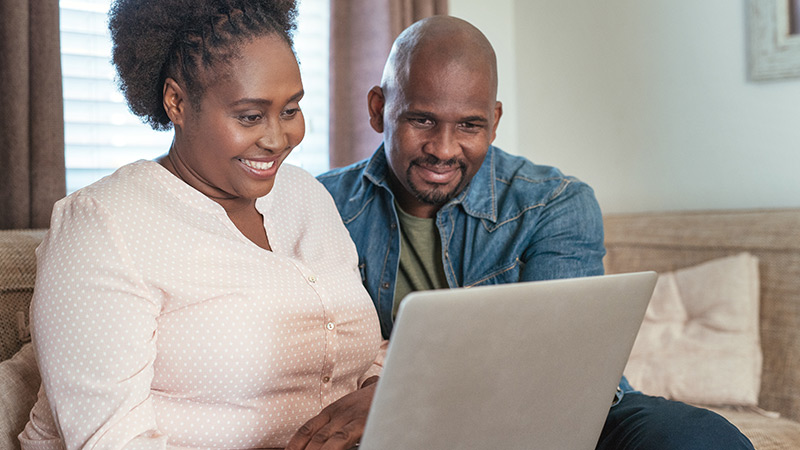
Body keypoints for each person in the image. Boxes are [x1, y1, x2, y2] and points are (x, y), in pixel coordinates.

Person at [318, 15, 755, 450]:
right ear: (378, 109)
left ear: (494, 120)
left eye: (469, 125)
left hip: (562, 410)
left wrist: (396, 390)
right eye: (422, 120)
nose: (444, 149)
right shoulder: (321, 204)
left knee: (705, 438)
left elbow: (552, 367)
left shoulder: (555, 202)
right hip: (408, 426)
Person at [20, 1, 383, 449]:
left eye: (290, 110)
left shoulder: (305, 195)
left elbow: (358, 353)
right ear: (177, 101)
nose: (276, 138)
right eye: (250, 116)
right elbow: (114, 440)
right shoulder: (102, 223)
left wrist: (377, 393)